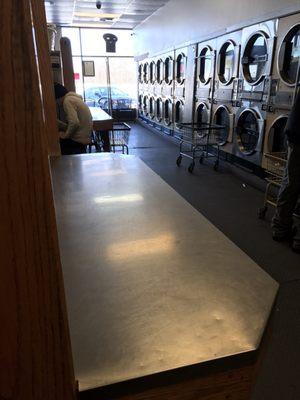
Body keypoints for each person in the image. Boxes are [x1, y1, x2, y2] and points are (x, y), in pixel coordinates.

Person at [272, 90, 300, 253]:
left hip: (295, 132)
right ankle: (297, 240)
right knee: (292, 183)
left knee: (290, 183)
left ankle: (280, 228)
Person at [54, 83, 93, 155]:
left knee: (54, 143)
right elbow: (74, 123)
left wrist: (65, 135)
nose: (56, 103)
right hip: (84, 136)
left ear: (58, 97)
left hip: (78, 139)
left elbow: (74, 123)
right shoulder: (73, 98)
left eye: (55, 100)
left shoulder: (67, 101)